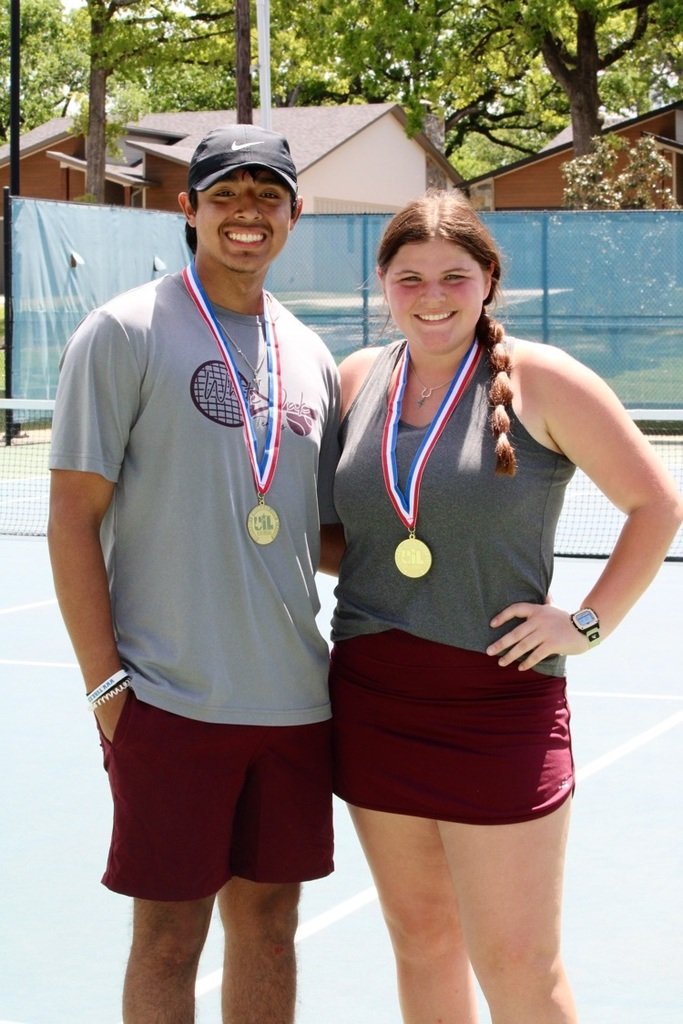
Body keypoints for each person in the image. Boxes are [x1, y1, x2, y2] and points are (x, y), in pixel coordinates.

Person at [325, 189, 683, 1023]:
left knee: (519, 964)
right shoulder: (353, 380)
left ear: (488, 279)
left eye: (454, 275)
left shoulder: (541, 379)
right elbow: (346, 539)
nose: (433, 296)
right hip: (373, 696)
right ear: (384, 284)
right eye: (409, 278)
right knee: (420, 941)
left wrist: (586, 623)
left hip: (497, 702)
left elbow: (657, 505)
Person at [48, 124, 341, 1024]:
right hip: (168, 700)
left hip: (294, 704)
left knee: (270, 925)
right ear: (188, 210)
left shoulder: (314, 356)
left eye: (266, 197)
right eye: (225, 196)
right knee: (169, 938)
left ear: (294, 215)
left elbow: (321, 534)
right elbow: (71, 517)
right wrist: (105, 684)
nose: (246, 214)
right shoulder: (123, 331)